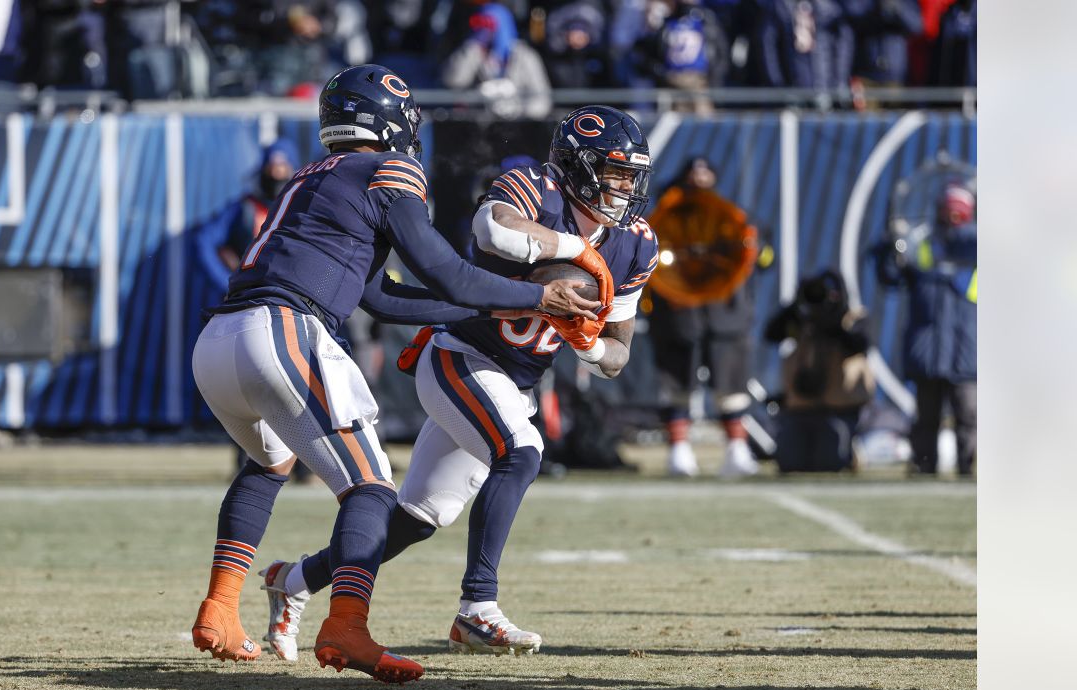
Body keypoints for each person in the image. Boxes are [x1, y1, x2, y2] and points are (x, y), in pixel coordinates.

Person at [189, 64, 602, 683]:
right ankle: (346, 628)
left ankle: (220, 609)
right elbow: (446, 272)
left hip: (219, 341)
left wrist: (477, 308)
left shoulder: (310, 175)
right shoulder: (390, 169)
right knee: (373, 489)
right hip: (282, 328)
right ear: (393, 123)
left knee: (267, 465)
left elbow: (380, 299)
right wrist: (530, 299)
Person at [258, 105, 660, 658]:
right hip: (461, 357)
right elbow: (493, 228)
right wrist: (576, 249)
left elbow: (616, 355)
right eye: (613, 171)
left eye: (631, 175)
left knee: (420, 516)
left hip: (512, 381)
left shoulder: (638, 243)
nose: (624, 187)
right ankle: (478, 609)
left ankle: (294, 580)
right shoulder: (533, 187)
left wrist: (583, 337)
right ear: (577, 167)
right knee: (522, 451)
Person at [642, 156, 760, 477]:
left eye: (707, 170)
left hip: (723, 312)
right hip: (680, 313)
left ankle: (737, 449)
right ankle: (679, 451)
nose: (700, 177)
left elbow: (749, 251)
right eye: (694, 170)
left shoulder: (726, 213)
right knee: (677, 380)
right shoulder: (668, 212)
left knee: (731, 383)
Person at [878, 181, 976, 476]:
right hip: (929, 351)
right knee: (926, 418)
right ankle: (923, 466)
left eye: (958, 213)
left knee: (969, 415)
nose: (952, 219)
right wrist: (889, 246)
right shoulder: (922, 244)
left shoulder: (979, 246)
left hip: (965, 351)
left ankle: (969, 468)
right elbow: (892, 276)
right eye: (948, 212)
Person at [764, 270, 874, 472]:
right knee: (789, 463)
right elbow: (771, 333)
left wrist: (833, 323)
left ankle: (851, 451)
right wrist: (796, 305)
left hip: (840, 409)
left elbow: (861, 345)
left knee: (829, 463)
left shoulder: (854, 318)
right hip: (801, 407)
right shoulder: (803, 321)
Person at [441, 2, 552, 120]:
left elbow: (542, 101)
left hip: (519, 126)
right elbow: (453, 81)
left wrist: (516, 110)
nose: (486, 32)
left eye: (489, 26)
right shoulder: (474, 52)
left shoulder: (525, 56)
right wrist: (471, 48)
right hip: (481, 125)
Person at [217, 140, 299, 272]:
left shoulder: (302, 209)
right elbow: (207, 242)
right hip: (250, 288)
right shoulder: (246, 207)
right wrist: (227, 280)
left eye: (282, 170)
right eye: (271, 169)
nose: (276, 176)